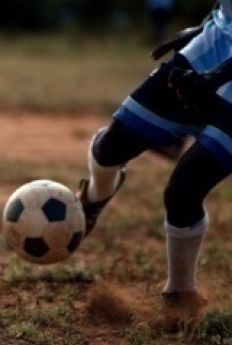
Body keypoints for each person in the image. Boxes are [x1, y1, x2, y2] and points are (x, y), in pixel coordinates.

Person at [76, 0, 232, 330]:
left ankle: (181, 294)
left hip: (223, 67)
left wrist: (215, 77)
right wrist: (206, 26)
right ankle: (96, 193)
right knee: (112, 146)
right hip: (218, 41)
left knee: (185, 187)